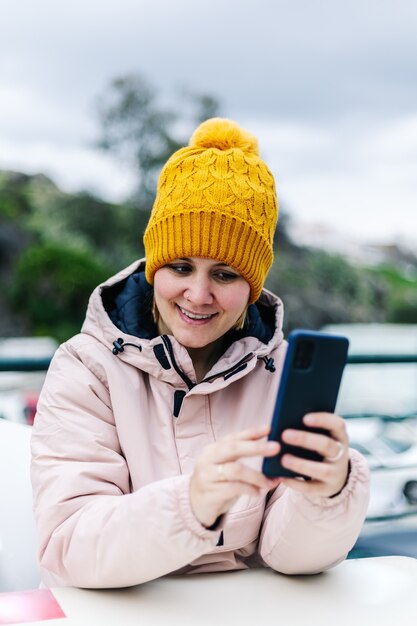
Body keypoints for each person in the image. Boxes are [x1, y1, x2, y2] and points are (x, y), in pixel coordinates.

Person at [31, 117, 370, 589]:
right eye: (181, 266)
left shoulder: (281, 372)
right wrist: (190, 503)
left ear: (252, 286)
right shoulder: (86, 368)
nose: (197, 293)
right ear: (154, 268)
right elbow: (70, 545)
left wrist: (326, 494)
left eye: (226, 274)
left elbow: (291, 558)